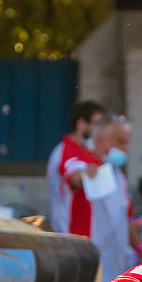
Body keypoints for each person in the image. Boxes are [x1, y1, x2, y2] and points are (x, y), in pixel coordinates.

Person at [46, 100, 112, 245]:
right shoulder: (66, 151)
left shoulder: (87, 152)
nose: (100, 130)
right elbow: (75, 178)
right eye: (97, 124)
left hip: (89, 239)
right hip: (70, 239)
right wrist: (84, 174)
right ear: (81, 124)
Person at [88, 114, 138, 282]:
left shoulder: (119, 176)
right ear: (99, 140)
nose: (126, 149)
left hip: (116, 272)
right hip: (93, 272)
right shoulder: (88, 172)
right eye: (120, 142)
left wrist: (140, 248)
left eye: (127, 142)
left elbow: (126, 217)